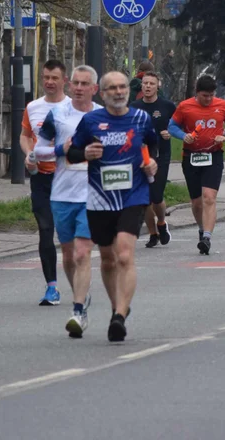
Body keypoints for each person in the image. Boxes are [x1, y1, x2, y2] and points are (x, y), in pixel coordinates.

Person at [67, 71, 159, 342]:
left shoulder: (141, 119)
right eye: (112, 88)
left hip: (133, 195)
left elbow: (153, 147)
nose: (119, 92)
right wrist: (83, 154)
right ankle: (117, 306)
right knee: (107, 259)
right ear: (102, 93)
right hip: (100, 198)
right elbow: (71, 153)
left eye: (122, 87)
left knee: (124, 255)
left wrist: (152, 162)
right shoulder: (91, 121)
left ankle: (119, 316)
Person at [34, 65, 101, 338]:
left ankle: (76, 309)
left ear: (94, 89)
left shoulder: (103, 116)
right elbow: (39, 149)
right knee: (69, 253)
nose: (80, 88)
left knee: (83, 252)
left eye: (86, 83)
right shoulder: (58, 114)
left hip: (94, 194)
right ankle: (80, 297)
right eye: (76, 83)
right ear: (70, 85)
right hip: (62, 194)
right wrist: (63, 149)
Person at [21, 60, 72, 307]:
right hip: (40, 177)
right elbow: (24, 136)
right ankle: (51, 286)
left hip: (68, 178)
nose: (49, 82)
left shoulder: (74, 108)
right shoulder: (33, 107)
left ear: (65, 81)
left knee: (68, 236)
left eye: (54, 77)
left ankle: (79, 282)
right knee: (45, 230)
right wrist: (28, 153)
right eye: (45, 77)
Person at [169, 75, 225, 254]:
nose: (208, 99)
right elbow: (172, 127)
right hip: (190, 156)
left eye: (211, 95)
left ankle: (207, 236)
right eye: (204, 95)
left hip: (213, 155)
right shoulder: (185, 106)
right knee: (197, 202)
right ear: (197, 93)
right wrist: (184, 136)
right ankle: (201, 228)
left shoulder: (222, 105)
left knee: (209, 197)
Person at [131, 71, 176, 247]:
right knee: (145, 199)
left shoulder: (167, 106)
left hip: (161, 155)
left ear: (158, 85)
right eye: (145, 83)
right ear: (141, 86)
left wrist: (170, 132)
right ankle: (152, 234)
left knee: (156, 196)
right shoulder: (134, 106)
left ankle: (162, 223)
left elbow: (179, 125)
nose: (148, 86)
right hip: (141, 156)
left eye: (151, 83)